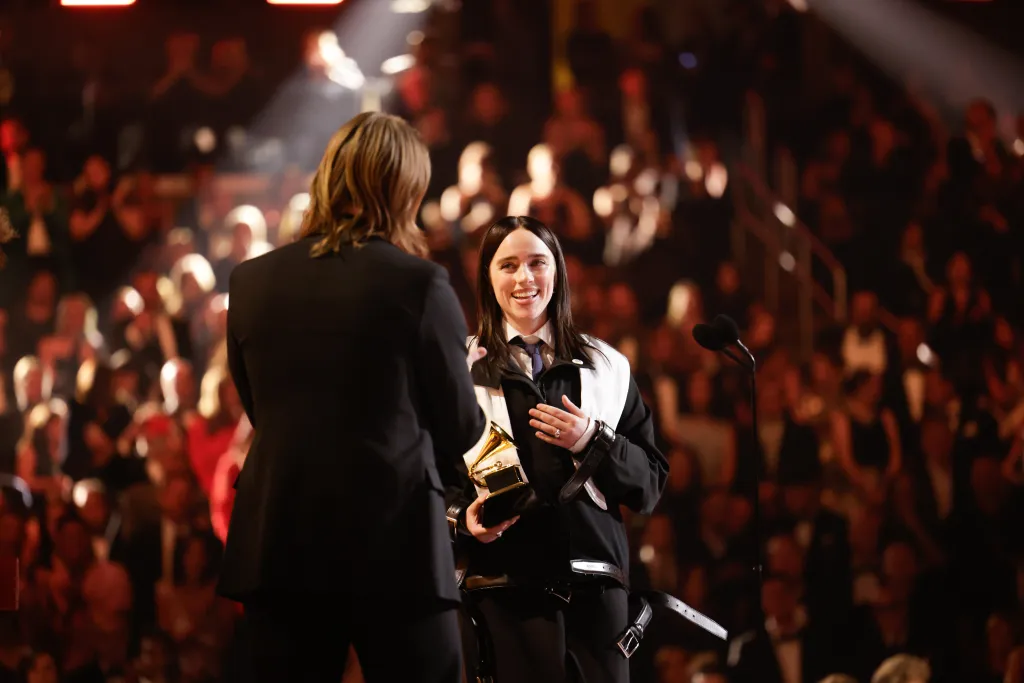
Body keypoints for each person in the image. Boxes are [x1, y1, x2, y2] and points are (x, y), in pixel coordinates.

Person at [218, 112, 487, 683]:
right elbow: (462, 427)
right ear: (403, 191)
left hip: (281, 541)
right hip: (395, 545)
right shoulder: (419, 283)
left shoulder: (250, 282)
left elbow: (259, 409)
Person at [447, 215, 668, 683]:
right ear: (487, 277)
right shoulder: (458, 366)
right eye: (508, 265)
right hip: (501, 591)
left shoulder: (607, 367)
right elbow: (426, 477)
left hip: (596, 592)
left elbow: (649, 485)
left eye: (536, 263)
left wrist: (593, 439)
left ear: (558, 273)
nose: (524, 278)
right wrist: (461, 518)